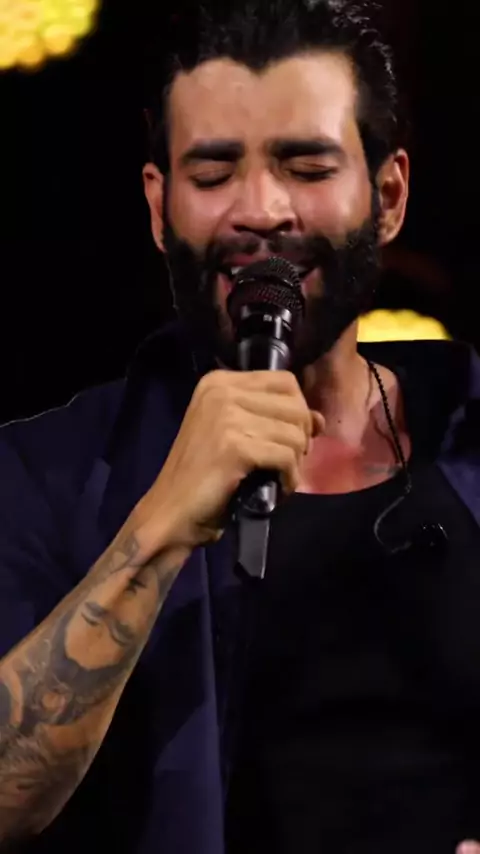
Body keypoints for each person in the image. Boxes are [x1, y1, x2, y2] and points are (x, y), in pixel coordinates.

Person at [0, 0, 479, 851]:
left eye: (307, 166)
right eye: (215, 172)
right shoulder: (42, 474)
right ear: (159, 208)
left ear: (389, 196)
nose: (260, 210)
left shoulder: (467, 436)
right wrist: (156, 530)